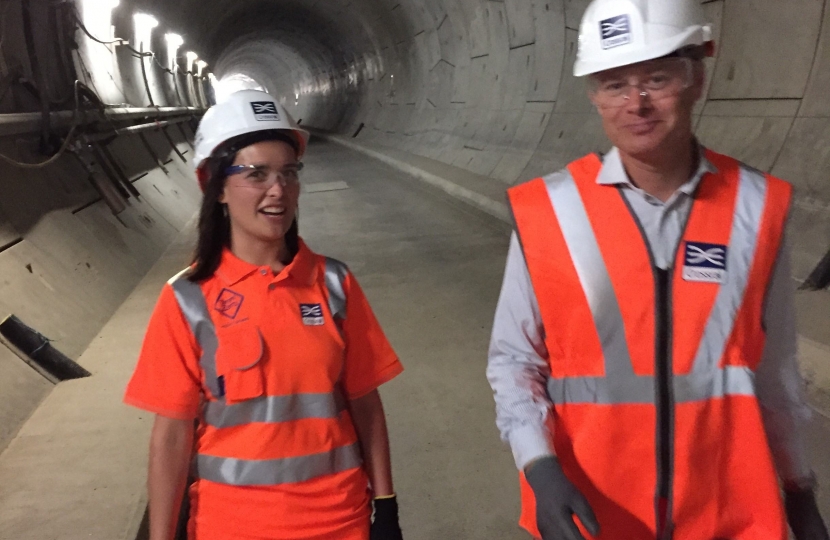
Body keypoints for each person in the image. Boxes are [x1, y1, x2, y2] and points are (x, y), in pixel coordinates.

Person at [486, 0, 830, 539]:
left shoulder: (756, 207)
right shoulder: (547, 211)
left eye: (656, 77)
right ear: (593, 95)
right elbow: (513, 360)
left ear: (696, 76)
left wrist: (799, 490)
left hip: (728, 515)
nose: (637, 103)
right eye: (614, 84)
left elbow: (775, 374)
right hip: (597, 514)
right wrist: (538, 465)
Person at [124, 89, 405, 540]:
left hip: (341, 522)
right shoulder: (187, 300)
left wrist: (386, 506)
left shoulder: (334, 284)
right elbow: (171, 437)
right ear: (215, 187)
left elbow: (365, 404)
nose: (279, 190)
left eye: (289, 173)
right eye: (257, 174)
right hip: (232, 526)